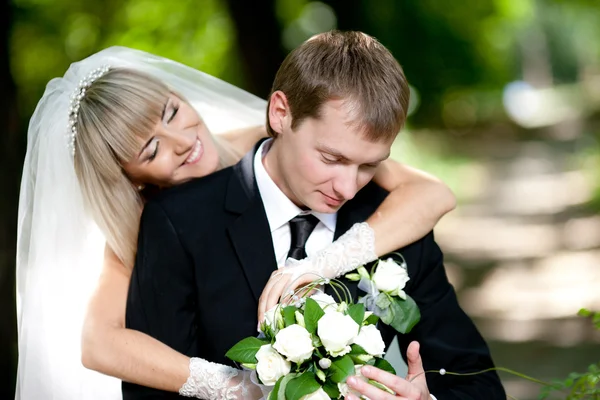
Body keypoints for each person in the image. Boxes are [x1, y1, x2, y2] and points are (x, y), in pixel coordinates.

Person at [16, 44, 456, 399]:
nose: (184, 141)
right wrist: (239, 388)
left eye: (171, 112)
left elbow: (433, 193)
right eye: (151, 151)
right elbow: (98, 344)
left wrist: (324, 262)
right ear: (128, 178)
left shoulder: (266, 140)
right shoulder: (144, 222)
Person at [125, 30, 506, 400]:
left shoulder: (393, 222)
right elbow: (150, 392)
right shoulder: (178, 223)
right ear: (280, 114)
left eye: (369, 165)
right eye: (331, 158)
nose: (347, 187)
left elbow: (480, 385)